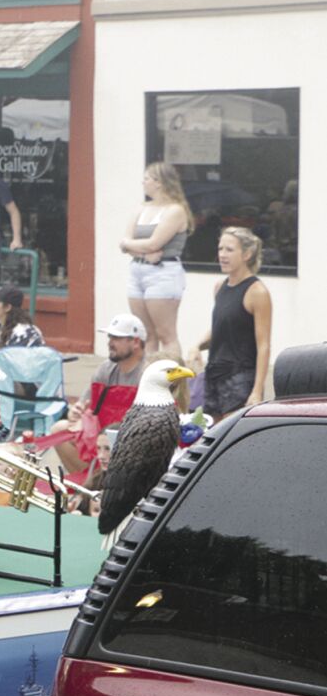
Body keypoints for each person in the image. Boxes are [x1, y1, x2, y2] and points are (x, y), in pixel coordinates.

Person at [42, 313, 148, 475]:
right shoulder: (105, 369)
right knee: (60, 429)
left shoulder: (148, 373)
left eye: (117, 338)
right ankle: (89, 485)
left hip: (132, 443)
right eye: (110, 337)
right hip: (101, 438)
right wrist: (76, 414)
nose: (110, 343)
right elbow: (82, 408)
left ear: (135, 342)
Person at [193, 226, 272, 420]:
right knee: (212, 437)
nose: (222, 255)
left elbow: (264, 345)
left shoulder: (257, 291)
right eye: (220, 249)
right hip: (214, 373)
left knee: (232, 438)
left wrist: (257, 389)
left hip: (239, 377)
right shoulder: (220, 286)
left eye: (229, 250)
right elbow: (221, 329)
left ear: (246, 254)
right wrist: (197, 346)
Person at [120, 161, 191, 357]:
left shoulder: (175, 210)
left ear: (159, 182)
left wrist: (135, 246)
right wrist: (142, 251)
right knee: (146, 334)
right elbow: (125, 242)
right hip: (138, 270)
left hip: (163, 273)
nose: (143, 182)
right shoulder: (141, 208)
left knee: (165, 334)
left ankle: (175, 384)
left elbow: (154, 243)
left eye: (147, 178)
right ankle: (147, 381)